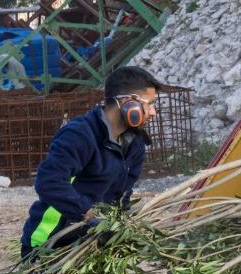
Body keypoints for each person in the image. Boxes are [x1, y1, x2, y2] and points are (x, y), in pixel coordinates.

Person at [20, 65, 163, 258]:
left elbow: (123, 194)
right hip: (50, 244)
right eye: (150, 104)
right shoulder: (79, 135)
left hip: (92, 245)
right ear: (130, 103)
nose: (153, 112)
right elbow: (49, 183)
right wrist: (88, 214)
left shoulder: (134, 144)